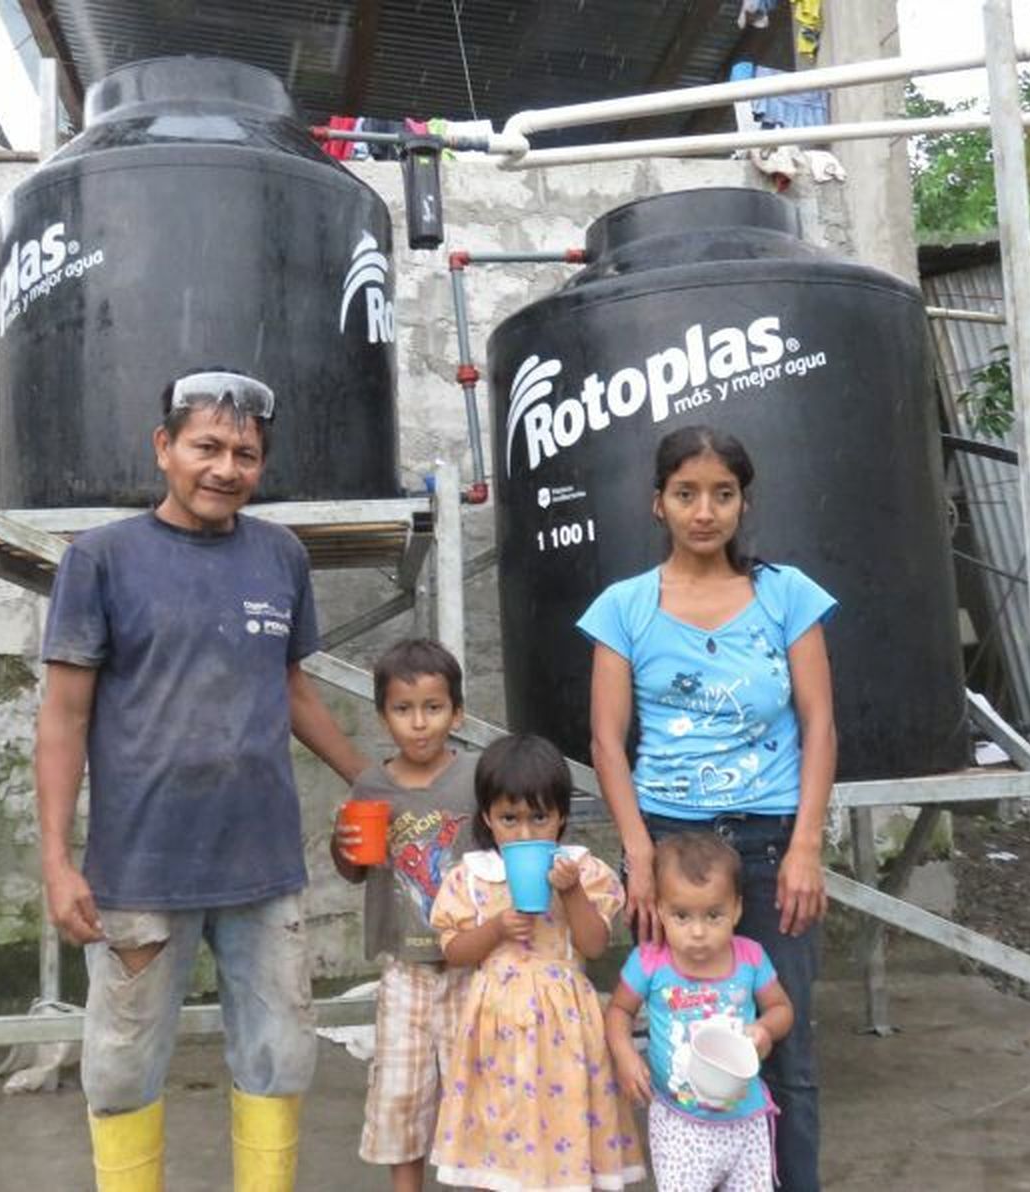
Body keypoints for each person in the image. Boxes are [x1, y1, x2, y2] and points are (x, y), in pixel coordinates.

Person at [35, 368, 367, 1192]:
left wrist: (374, 779)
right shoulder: (101, 560)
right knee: (121, 1066)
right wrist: (55, 857)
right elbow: (64, 717)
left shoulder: (281, 556)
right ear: (164, 449)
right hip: (139, 869)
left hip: (261, 863)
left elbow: (291, 689)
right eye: (206, 447)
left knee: (282, 1053)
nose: (225, 469)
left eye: (245, 454)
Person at [577, 426, 836, 1191]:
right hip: (673, 855)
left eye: (722, 494)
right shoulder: (624, 607)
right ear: (658, 503)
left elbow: (819, 723)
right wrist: (639, 860)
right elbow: (605, 740)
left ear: (743, 503)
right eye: (686, 493)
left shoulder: (786, 595)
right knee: (674, 1041)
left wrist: (806, 847)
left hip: (769, 849)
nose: (704, 511)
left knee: (782, 1054)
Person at [427, 733, 646, 1191]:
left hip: (566, 1031)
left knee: (566, 1139)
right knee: (499, 1145)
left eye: (539, 817)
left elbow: (593, 944)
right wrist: (496, 929)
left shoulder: (584, 872)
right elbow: (453, 952)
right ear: (488, 816)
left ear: (562, 816)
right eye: (510, 818)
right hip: (496, 1032)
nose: (525, 832)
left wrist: (569, 892)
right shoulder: (473, 877)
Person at [329, 638, 477, 1192]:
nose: (419, 724)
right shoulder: (371, 786)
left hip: (471, 965)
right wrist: (341, 843)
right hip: (404, 970)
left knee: (475, 1088)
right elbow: (355, 870)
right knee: (402, 1094)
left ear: (457, 712)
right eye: (403, 709)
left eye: (433, 708)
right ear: (383, 716)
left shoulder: (474, 781)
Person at [606, 832, 793, 1191]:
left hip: (745, 1121)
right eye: (681, 916)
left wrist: (765, 1029)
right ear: (660, 909)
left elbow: (782, 1009)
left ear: (737, 909)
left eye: (713, 915)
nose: (697, 932)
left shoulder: (750, 957)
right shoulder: (649, 962)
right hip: (680, 1124)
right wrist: (625, 1055)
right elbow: (618, 1011)